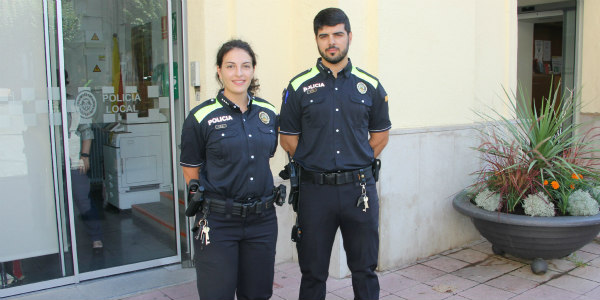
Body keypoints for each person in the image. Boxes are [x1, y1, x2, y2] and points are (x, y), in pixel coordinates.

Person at [279, 8, 391, 300]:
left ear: (349, 37)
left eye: (338, 34)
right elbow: (288, 139)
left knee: (365, 269)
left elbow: (380, 137)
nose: (332, 42)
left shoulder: (371, 86)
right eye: (324, 36)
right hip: (315, 193)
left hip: (360, 191)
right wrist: (318, 161)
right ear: (316, 40)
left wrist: (357, 162)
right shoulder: (298, 86)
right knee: (313, 273)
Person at [180, 39, 280, 300]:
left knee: (258, 295)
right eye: (231, 66)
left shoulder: (268, 113)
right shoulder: (201, 117)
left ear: (253, 70)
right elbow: (191, 169)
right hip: (219, 222)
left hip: (262, 221)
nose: (239, 73)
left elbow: (265, 156)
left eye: (245, 66)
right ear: (219, 70)